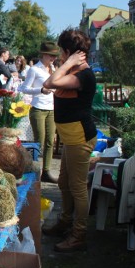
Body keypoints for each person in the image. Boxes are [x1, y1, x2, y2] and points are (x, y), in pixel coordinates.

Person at [42, 28, 97, 253]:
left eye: (62, 53)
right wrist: (68, 62)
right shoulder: (73, 70)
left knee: (77, 188)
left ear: (67, 52)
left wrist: (68, 62)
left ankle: (78, 234)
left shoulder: (82, 74)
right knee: (64, 183)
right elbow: (50, 85)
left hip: (80, 138)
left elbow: (50, 82)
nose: (60, 57)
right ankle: (65, 222)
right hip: (70, 138)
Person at [20, 42, 59, 183]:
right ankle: (34, 170)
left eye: (55, 56)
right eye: (51, 56)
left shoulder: (53, 69)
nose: (53, 58)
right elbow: (23, 88)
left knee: (50, 141)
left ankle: (46, 171)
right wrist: (40, 90)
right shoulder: (34, 70)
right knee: (39, 141)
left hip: (52, 108)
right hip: (38, 108)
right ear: (43, 55)